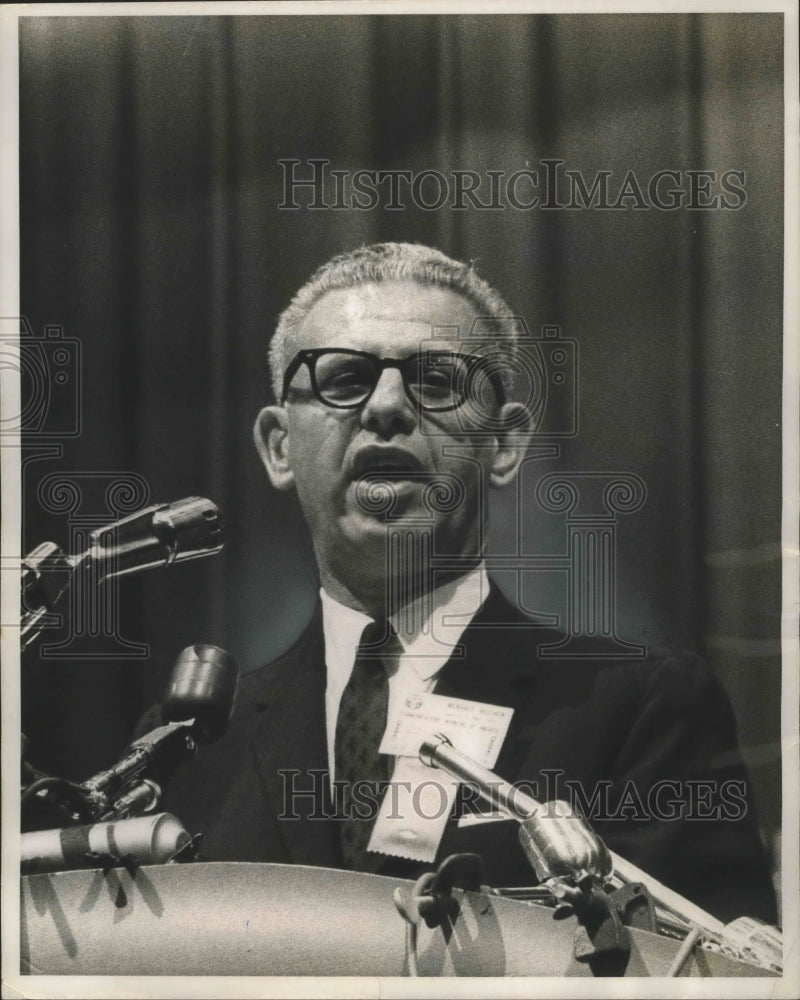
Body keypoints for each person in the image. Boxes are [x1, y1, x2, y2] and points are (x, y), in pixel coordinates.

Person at [151, 242, 776, 926]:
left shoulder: (641, 711)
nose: (386, 406)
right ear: (278, 446)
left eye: (438, 380)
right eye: (343, 378)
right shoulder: (186, 743)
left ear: (503, 445)